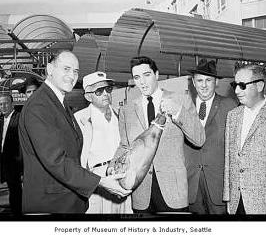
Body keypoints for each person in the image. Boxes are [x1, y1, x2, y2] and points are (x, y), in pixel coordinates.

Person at [18, 50, 131, 214]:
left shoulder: (59, 102)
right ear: (50, 69)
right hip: (52, 203)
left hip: (67, 199)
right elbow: (56, 160)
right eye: (66, 69)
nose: (72, 76)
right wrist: (99, 181)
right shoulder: (39, 106)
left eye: (76, 71)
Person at [108, 55, 205, 213]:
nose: (142, 82)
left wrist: (178, 112)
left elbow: (199, 139)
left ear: (157, 75)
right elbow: (125, 146)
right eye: (137, 77)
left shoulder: (181, 100)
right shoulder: (127, 110)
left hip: (173, 190)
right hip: (141, 191)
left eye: (147, 75)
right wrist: (112, 167)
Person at [74, 71, 132, 214]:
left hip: (121, 174)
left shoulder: (121, 114)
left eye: (108, 89)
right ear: (88, 96)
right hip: (97, 179)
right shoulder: (79, 119)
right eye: (99, 91)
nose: (106, 93)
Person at [185, 59, 237, 214]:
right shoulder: (184, 107)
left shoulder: (230, 106)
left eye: (208, 80)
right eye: (199, 80)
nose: (204, 85)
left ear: (217, 82)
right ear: (193, 83)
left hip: (218, 185)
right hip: (191, 184)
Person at [223, 62, 266, 214]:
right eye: (234, 84)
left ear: (260, 86)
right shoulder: (232, 116)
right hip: (236, 203)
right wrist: (228, 199)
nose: (236, 90)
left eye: (242, 85)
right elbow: (229, 160)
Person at [0, 93, 23, 215]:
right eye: (0, 104)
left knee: (15, 190)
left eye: (5, 103)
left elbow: (22, 144)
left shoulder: (19, 118)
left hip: (13, 162)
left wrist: (21, 166)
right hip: (2, 160)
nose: (2, 106)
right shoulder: (1, 120)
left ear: (12, 104)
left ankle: (17, 214)